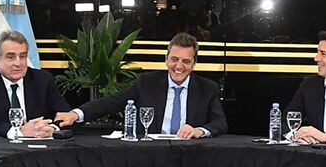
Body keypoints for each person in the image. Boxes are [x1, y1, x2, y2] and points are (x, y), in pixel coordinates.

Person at [55, 32, 228, 138]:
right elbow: (112, 101)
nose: (179, 66)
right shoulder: (147, 83)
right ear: (166, 59)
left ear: (194, 63)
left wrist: (199, 131)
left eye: (186, 61)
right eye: (174, 59)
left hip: (191, 155)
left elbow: (220, 123)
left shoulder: (208, 88)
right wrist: (76, 114)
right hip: (150, 156)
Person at [0, 30, 69, 139]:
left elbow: (66, 116)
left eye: (22, 56)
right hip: (1, 149)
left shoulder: (43, 80)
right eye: (10, 57)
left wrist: (52, 129)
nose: (18, 63)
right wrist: (18, 131)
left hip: (40, 147)